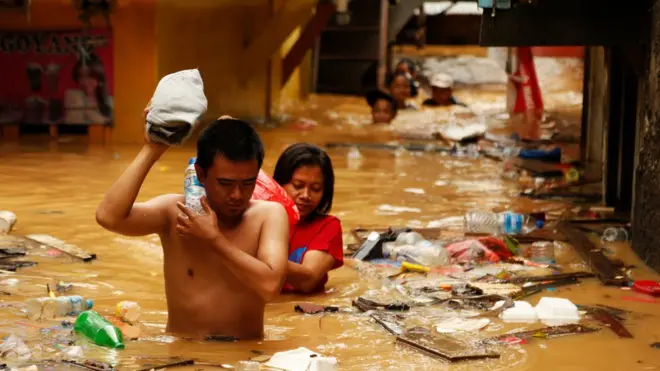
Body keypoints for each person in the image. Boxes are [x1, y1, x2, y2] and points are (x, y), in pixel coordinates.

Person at [95, 115, 289, 340]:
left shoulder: (269, 214)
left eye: (248, 183)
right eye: (225, 184)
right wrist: (152, 150)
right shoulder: (174, 211)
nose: (237, 195)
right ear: (200, 173)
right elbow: (108, 217)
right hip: (181, 351)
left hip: (244, 354)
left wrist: (214, 240)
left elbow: (271, 285)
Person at [273, 143, 343, 293]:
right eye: (298, 186)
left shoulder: (329, 226)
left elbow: (307, 281)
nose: (306, 195)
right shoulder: (259, 215)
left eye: (316, 189)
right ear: (278, 184)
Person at [64, 53, 113, 125]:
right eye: (81, 76)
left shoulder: (111, 101)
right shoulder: (73, 96)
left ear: (99, 78)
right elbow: (74, 123)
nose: (85, 82)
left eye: (90, 76)